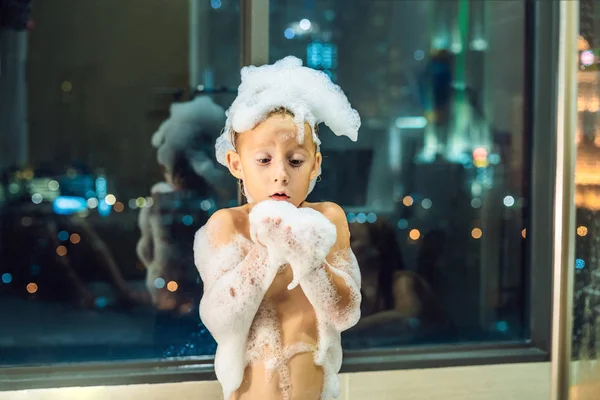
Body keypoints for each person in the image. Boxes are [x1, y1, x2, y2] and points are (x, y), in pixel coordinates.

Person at [194, 56, 362, 400]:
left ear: (315, 166)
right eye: (264, 160)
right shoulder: (229, 225)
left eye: (296, 160)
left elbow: (345, 312)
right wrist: (267, 251)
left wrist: (309, 258)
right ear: (236, 164)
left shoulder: (327, 220)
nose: (281, 174)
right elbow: (221, 320)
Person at [137, 96, 227, 314]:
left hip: (167, 299)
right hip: (207, 303)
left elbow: (146, 251)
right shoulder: (215, 207)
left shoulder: (158, 205)